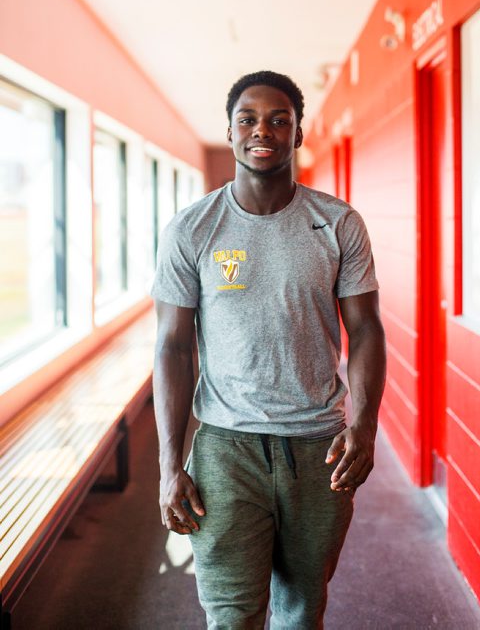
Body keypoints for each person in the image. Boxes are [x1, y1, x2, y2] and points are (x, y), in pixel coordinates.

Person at [151, 70, 386, 629]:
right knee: (231, 617)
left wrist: (366, 425)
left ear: (299, 134)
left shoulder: (337, 223)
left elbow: (368, 329)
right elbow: (173, 346)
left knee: (301, 613)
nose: (264, 130)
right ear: (230, 132)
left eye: (280, 120)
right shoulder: (193, 229)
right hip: (226, 451)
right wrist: (169, 465)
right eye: (249, 119)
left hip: (318, 448)